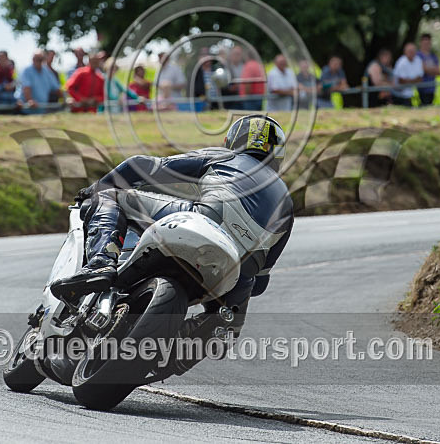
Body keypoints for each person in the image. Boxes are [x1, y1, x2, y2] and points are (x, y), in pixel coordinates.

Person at [50, 114, 293, 375]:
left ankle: (101, 263)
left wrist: (97, 187)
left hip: (204, 221)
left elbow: (141, 166)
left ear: (233, 140)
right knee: (225, 327)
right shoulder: (287, 206)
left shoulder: (226, 158)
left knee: (112, 196)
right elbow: (261, 282)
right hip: (236, 272)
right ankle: (194, 340)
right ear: (277, 153)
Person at [16, 50, 64, 114]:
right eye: (36, 59)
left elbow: (57, 88)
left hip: (42, 111)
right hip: (26, 111)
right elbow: (26, 88)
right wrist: (30, 100)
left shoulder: (47, 71)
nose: (38, 61)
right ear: (33, 59)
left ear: (44, 60)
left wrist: (65, 100)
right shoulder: (27, 71)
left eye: (40, 59)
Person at [392, 43, 423, 107]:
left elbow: (420, 78)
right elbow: (402, 81)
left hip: (410, 94)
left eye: (413, 51)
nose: (411, 53)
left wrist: (408, 81)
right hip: (399, 95)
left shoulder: (418, 60)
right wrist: (414, 80)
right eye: (409, 51)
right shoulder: (401, 62)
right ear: (405, 52)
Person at [417, 33, 440, 105]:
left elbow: (439, 72)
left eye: (428, 43)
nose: (427, 45)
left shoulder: (433, 56)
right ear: (421, 43)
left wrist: (428, 69)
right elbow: (423, 69)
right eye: (425, 43)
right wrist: (432, 70)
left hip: (432, 87)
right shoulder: (418, 55)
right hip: (422, 87)